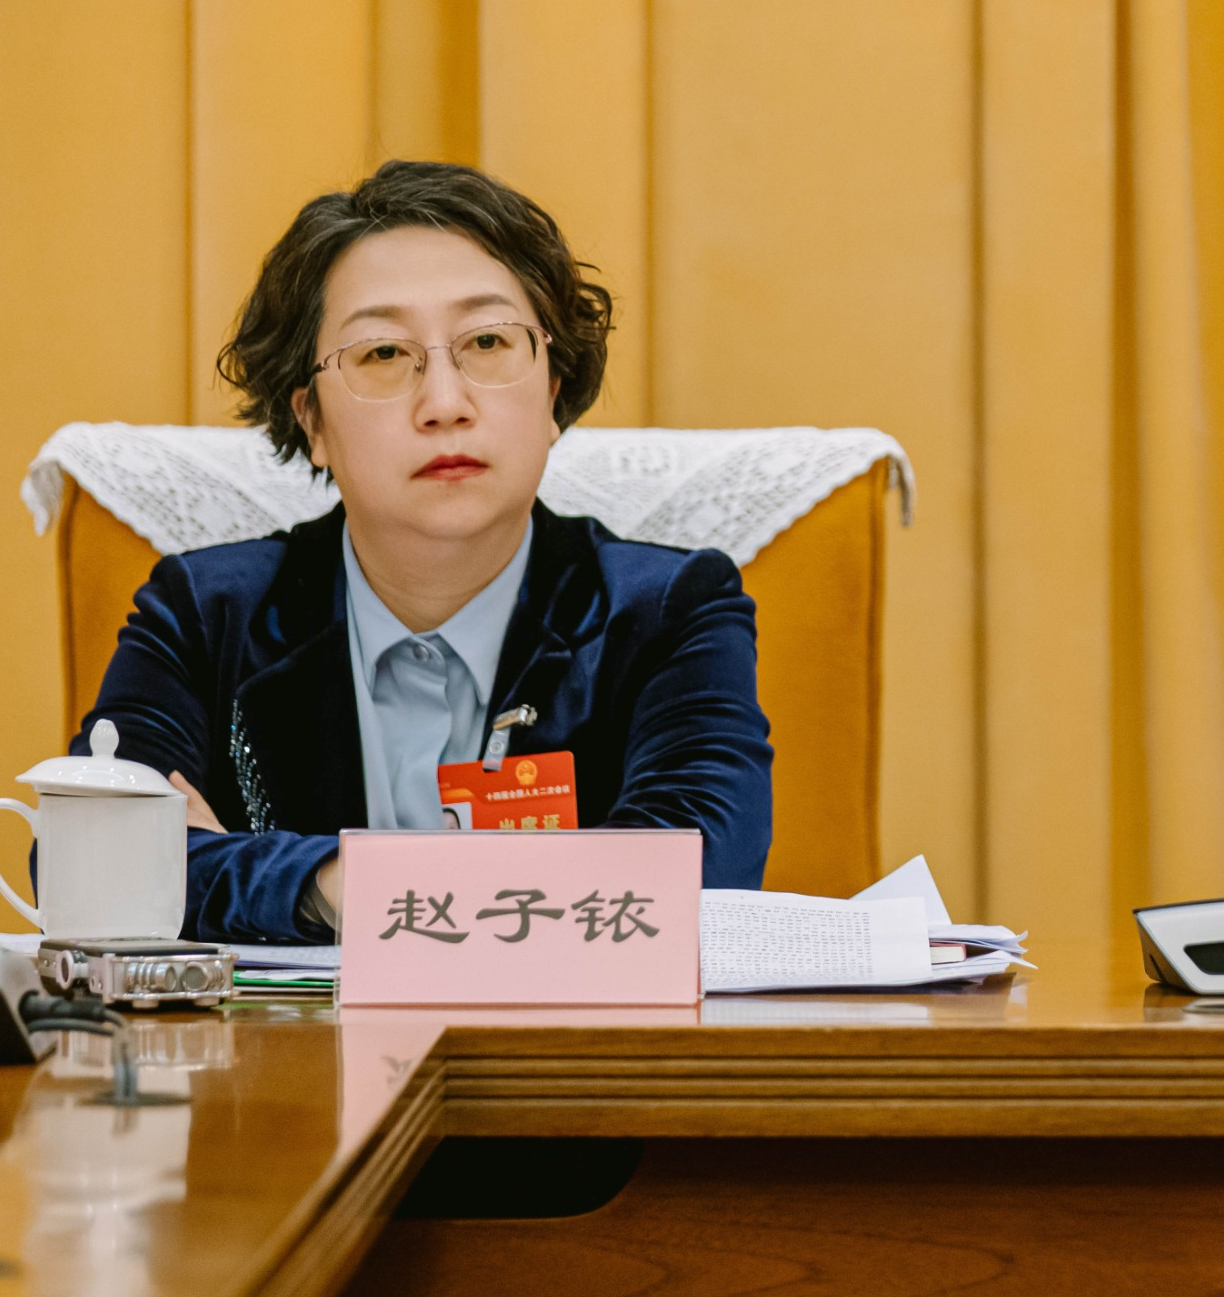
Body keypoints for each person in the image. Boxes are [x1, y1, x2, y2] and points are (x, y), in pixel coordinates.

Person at [83, 160, 772, 942]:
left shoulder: (670, 612)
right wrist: (331, 883)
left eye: (489, 341)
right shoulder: (205, 617)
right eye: (382, 354)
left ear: (553, 392)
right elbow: (98, 863)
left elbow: (696, 875)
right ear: (311, 421)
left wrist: (319, 884)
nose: (445, 404)